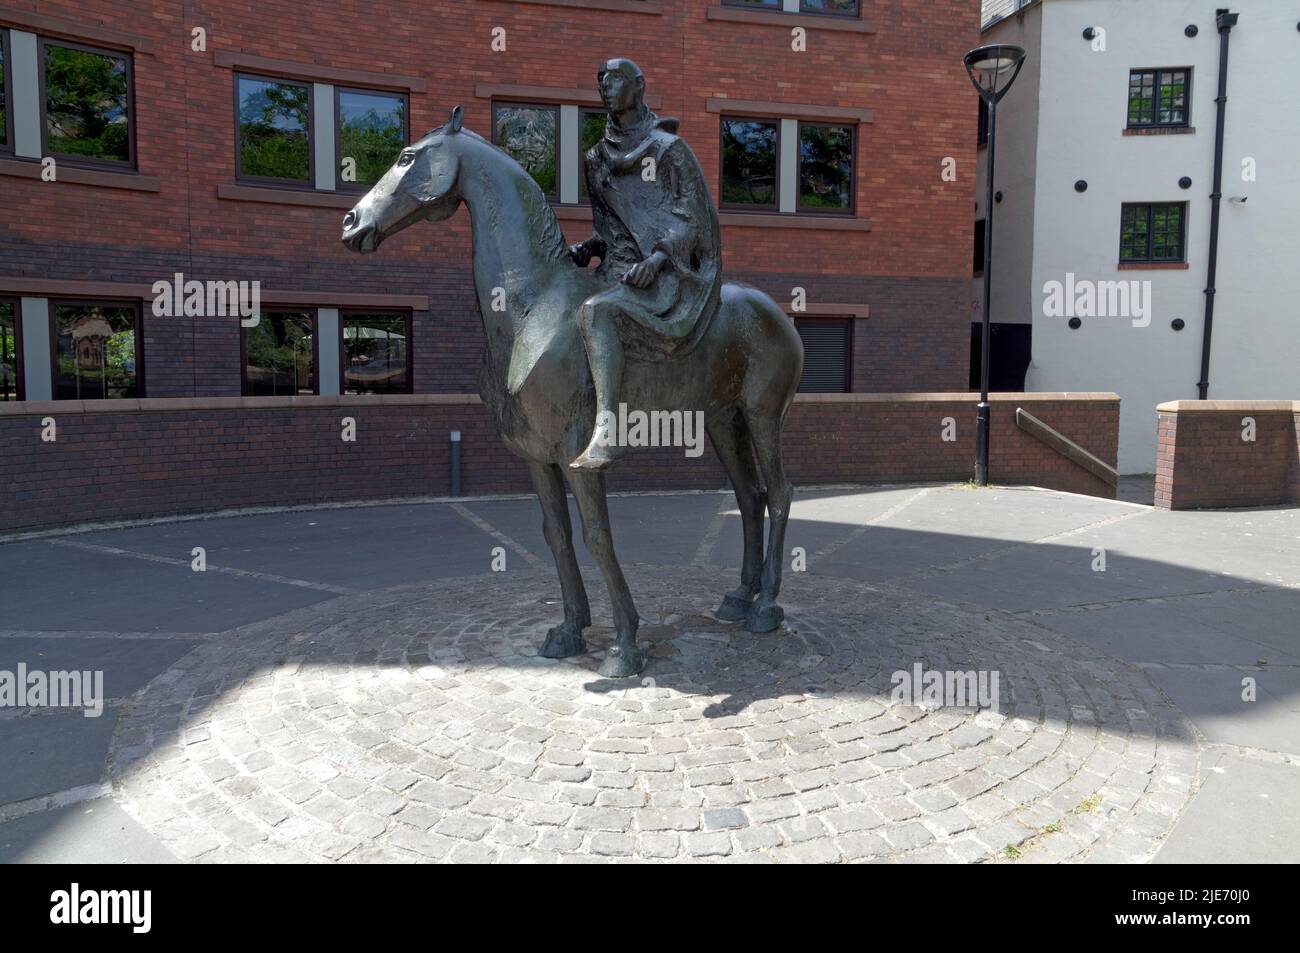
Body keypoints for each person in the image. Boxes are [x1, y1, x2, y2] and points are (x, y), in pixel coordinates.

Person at [568, 58, 721, 469]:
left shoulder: (669, 150)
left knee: (596, 312)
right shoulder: (596, 159)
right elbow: (610, 228)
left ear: (638, 86)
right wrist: (589, 247)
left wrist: (657, 258)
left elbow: (694, 218)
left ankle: (608, 428)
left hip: (667, 274)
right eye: (600, 80)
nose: (604, 86)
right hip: (616, 269)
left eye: (614, 79)